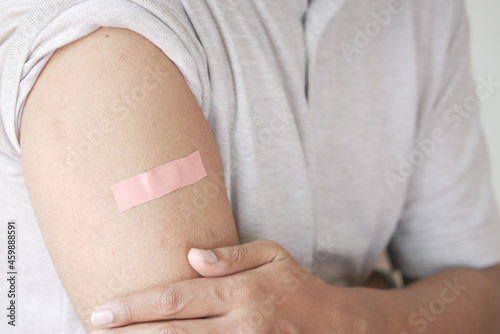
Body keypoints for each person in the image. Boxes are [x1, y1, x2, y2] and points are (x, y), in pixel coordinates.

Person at [1, 0, 499, 333]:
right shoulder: (104, 37)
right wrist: (388, 295)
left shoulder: (423, 13)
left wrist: (343, 316)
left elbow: (483, 293)